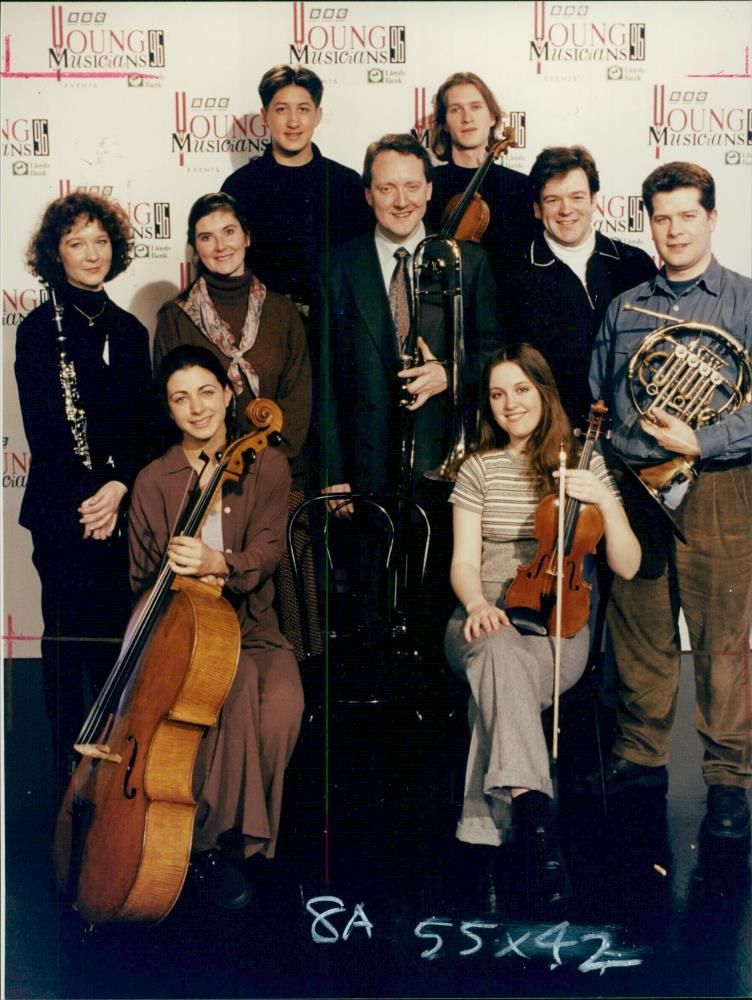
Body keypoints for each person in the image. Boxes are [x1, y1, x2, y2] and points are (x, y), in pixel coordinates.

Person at [589, 162, 752, 840]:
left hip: (719, 489)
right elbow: (599, 399)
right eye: (662, 217)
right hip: (639, 487)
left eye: (687, 215)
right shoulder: (625, 308)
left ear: (712, 218)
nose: (674, 229)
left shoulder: (745, 301)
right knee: (642, 637)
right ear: (647, 223)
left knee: (723, 646)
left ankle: (728, 780)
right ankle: (642, 759)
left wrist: (703, 436)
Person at [444, 343, 640, 902]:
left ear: (544, 392)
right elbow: (463, 561)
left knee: (497, 681)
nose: (510, 404)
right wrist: (478, 605)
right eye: (498, 394)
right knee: (497, 651)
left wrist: (602, 494)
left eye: (521, 390)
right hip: (480, 615)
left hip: (560, 621)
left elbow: (627, 564)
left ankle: (486, 835)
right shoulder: (477, 468)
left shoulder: (584, 461)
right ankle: (538, 826)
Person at [128, 345, 304, 909]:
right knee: (236, 690)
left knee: (282, 706)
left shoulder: (266, 464)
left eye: (207, 392)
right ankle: (216, 847)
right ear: (169, 410)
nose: (197, 407)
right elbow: (138, 578)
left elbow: (269, 551)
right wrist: (174, 577)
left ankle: (245, 843)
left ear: (230, 395)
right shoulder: (154, 480)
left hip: (253, 624)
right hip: (185, 633)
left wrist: (218, 564)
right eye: (181, 398)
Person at [15, 192, 152, 803]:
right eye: (77, 243)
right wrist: (88, 506)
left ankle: (114, 791)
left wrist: (118, 488)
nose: (91, 254)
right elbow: (45, 429)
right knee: (68, 654)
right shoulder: (39, 330)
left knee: (116, 653)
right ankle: (67, 794)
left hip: (121, 512)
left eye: (100, 242)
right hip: (64, 517)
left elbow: (146, 428)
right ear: (56, 254)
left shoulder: (129, 330)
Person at [153, 192, 314, 661]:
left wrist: (268, 473)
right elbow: (174, 405)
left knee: (288, 620)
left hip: (277, 477)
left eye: (229, 232)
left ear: (247, 237)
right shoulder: (175, 317)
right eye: (206, 237)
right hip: (205, 486)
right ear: (194, 248)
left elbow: (299, 400)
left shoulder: (284, 312)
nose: (220, 245)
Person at [504, 146, 656, 425]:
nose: (566, 210)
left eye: (577, 197)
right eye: (552, 200)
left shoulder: (636, 264)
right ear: (537, 209)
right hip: (551, 434)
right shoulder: (512, 276)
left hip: (634, 430)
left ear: (593, 200)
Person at [221, 64, 370, 318]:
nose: (293, 122)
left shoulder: (346, 184)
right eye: (281, 110)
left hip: (335, 330)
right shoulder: (239, 188)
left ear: (318, 115)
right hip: (263, 327)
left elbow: (364, 270)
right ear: (265, 115)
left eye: (303, 109)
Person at [425, 71, 535, 311]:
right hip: (442, 309)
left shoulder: (521, 187)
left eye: (476, 107)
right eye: (455, 109)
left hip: (507, 310)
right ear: (443, 123)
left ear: (492, 117)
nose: (467, 118)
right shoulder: (428, 185)